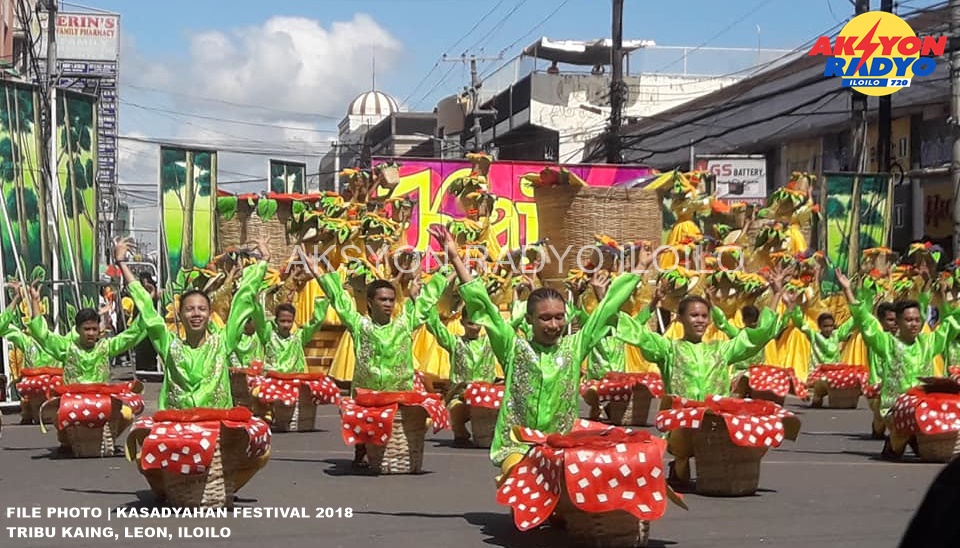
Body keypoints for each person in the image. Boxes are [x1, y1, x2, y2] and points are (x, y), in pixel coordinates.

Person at [431, 226, 642, 479]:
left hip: (561, 443)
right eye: (545, 318)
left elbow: (607, 308)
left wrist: (639, 269)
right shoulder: (513, 348)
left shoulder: (574, 347)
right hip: (517, 445)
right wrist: (455, 258)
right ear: (529, 319)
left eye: (558, 318)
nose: (553, 325)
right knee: (520, 476)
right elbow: (483, 305)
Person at [614, 272, 789, 486]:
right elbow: (636, 333)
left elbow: (757, 336)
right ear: (680, 318)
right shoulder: (668, 348)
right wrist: (612, 296)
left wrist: (776, 295)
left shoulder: (720, 350)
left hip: (714, 425)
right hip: (682, 427)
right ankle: (679, 465)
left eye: (704, 316)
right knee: (683, 458)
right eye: (694, 315)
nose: (700, 321)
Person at [314, 255, 450, 467]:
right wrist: (320, 274)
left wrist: (445, 270)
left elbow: (426, 303)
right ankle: (362, 447)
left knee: (425, 414)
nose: (387, 304)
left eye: (390, 300)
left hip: (399, 394)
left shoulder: (404, 324)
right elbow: (339, 299)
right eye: (382, 299)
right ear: (370, 302)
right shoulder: (360, 326)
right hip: (367, 396)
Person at [118, 237, 269, 410]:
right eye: (190, 309)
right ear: (180, 315)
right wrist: (122, 263)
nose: (196, 314)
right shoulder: (169, 345)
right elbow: (147, 309)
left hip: (214, 428)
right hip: (178, 429)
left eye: (202, 309)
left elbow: (243, 298)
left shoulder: (222, 343)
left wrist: (263, 261)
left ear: (209, 314)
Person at [835, 269, 960, 458]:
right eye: (909, 320)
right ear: (899, 323)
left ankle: (913, 438)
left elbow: (952, 322)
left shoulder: (929, 342)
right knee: (896, 450)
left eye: (917, 320)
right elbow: (864, 320)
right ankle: (896, 441)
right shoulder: (887, 343)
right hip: (894, 407)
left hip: (920, 405)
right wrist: (848, 291)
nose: (914, 324)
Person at [424, 299, 495, 447]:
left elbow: (510, 324)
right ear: (462, 323)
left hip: (485, 398)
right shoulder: (455, 343)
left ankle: (488, 434)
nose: (474, 328)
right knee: (455, 408)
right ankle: (460, 433)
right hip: (460, 396)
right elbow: (435, 326)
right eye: (470, 323)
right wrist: (424, 300)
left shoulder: (490, 342)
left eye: (477, 323)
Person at [252, 300, 329, 374]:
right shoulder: (268, 336)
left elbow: (316, 324)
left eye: (289, 321)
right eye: (282, 321)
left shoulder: (299, 338)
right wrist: (253, 299)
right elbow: (259, 320)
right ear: (276, 321)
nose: (286, 325)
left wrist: (322, 302)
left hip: (293, 380)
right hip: (272, 380)